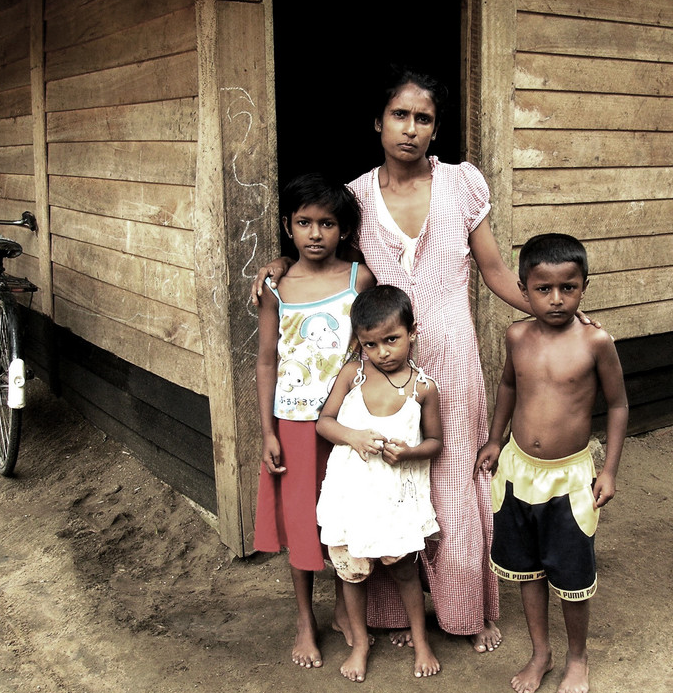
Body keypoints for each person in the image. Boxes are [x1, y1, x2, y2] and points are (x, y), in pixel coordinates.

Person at [253, 65, 596, 652]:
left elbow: (493, 271)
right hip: (380, 367)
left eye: (424, 118)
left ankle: (465, 613)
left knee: (455, 482)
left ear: (435, 128)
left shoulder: (462, 183)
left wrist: (551, 312)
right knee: (386, 476)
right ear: (379, 122)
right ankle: (391, 617)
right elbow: (329, 260)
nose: (411, 129)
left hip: (454, 364)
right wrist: (278, 265)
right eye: (400, 116)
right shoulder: (356, 196)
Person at [474, 233, 628, 693]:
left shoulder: (596, 341)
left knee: (572, 575)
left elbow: (618, 405)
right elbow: (506, 388)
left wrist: (610, 470)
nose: (557, 299)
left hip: (570, 479)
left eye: (569, 287)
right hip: (518, 472)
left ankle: (577, 656)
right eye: (543, 289)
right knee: (527, 569)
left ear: (584, 287)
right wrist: (494, 441)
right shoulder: (516, 335)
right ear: (524, 289)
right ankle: (541, 653)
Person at [253, 173, 376, 670]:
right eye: (303, 222)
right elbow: (265, 361)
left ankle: (349, 613)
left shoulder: (357, 279)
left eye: (327, 223)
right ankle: (306, 619)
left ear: (343, 230)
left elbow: (370, 345)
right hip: (294, 426)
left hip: (345, 424)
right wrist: (266, 432)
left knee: (345, 518)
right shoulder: (276, 286)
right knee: (302, 521)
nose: (315, 233)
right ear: (288, 226)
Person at [315, 285, 444, 682]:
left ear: (412, 332)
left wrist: (408, 453)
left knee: (405, 571)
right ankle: (359, 642)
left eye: (392, 340)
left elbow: (436, 444)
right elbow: (325, 422)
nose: (383, 352)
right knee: (352, 571)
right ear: (360, 343)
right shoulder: (353, 375)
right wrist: (353, 436)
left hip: (394, 501)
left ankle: (421, 641)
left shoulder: (423, 388)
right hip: (352, 496)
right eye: (371, 344)